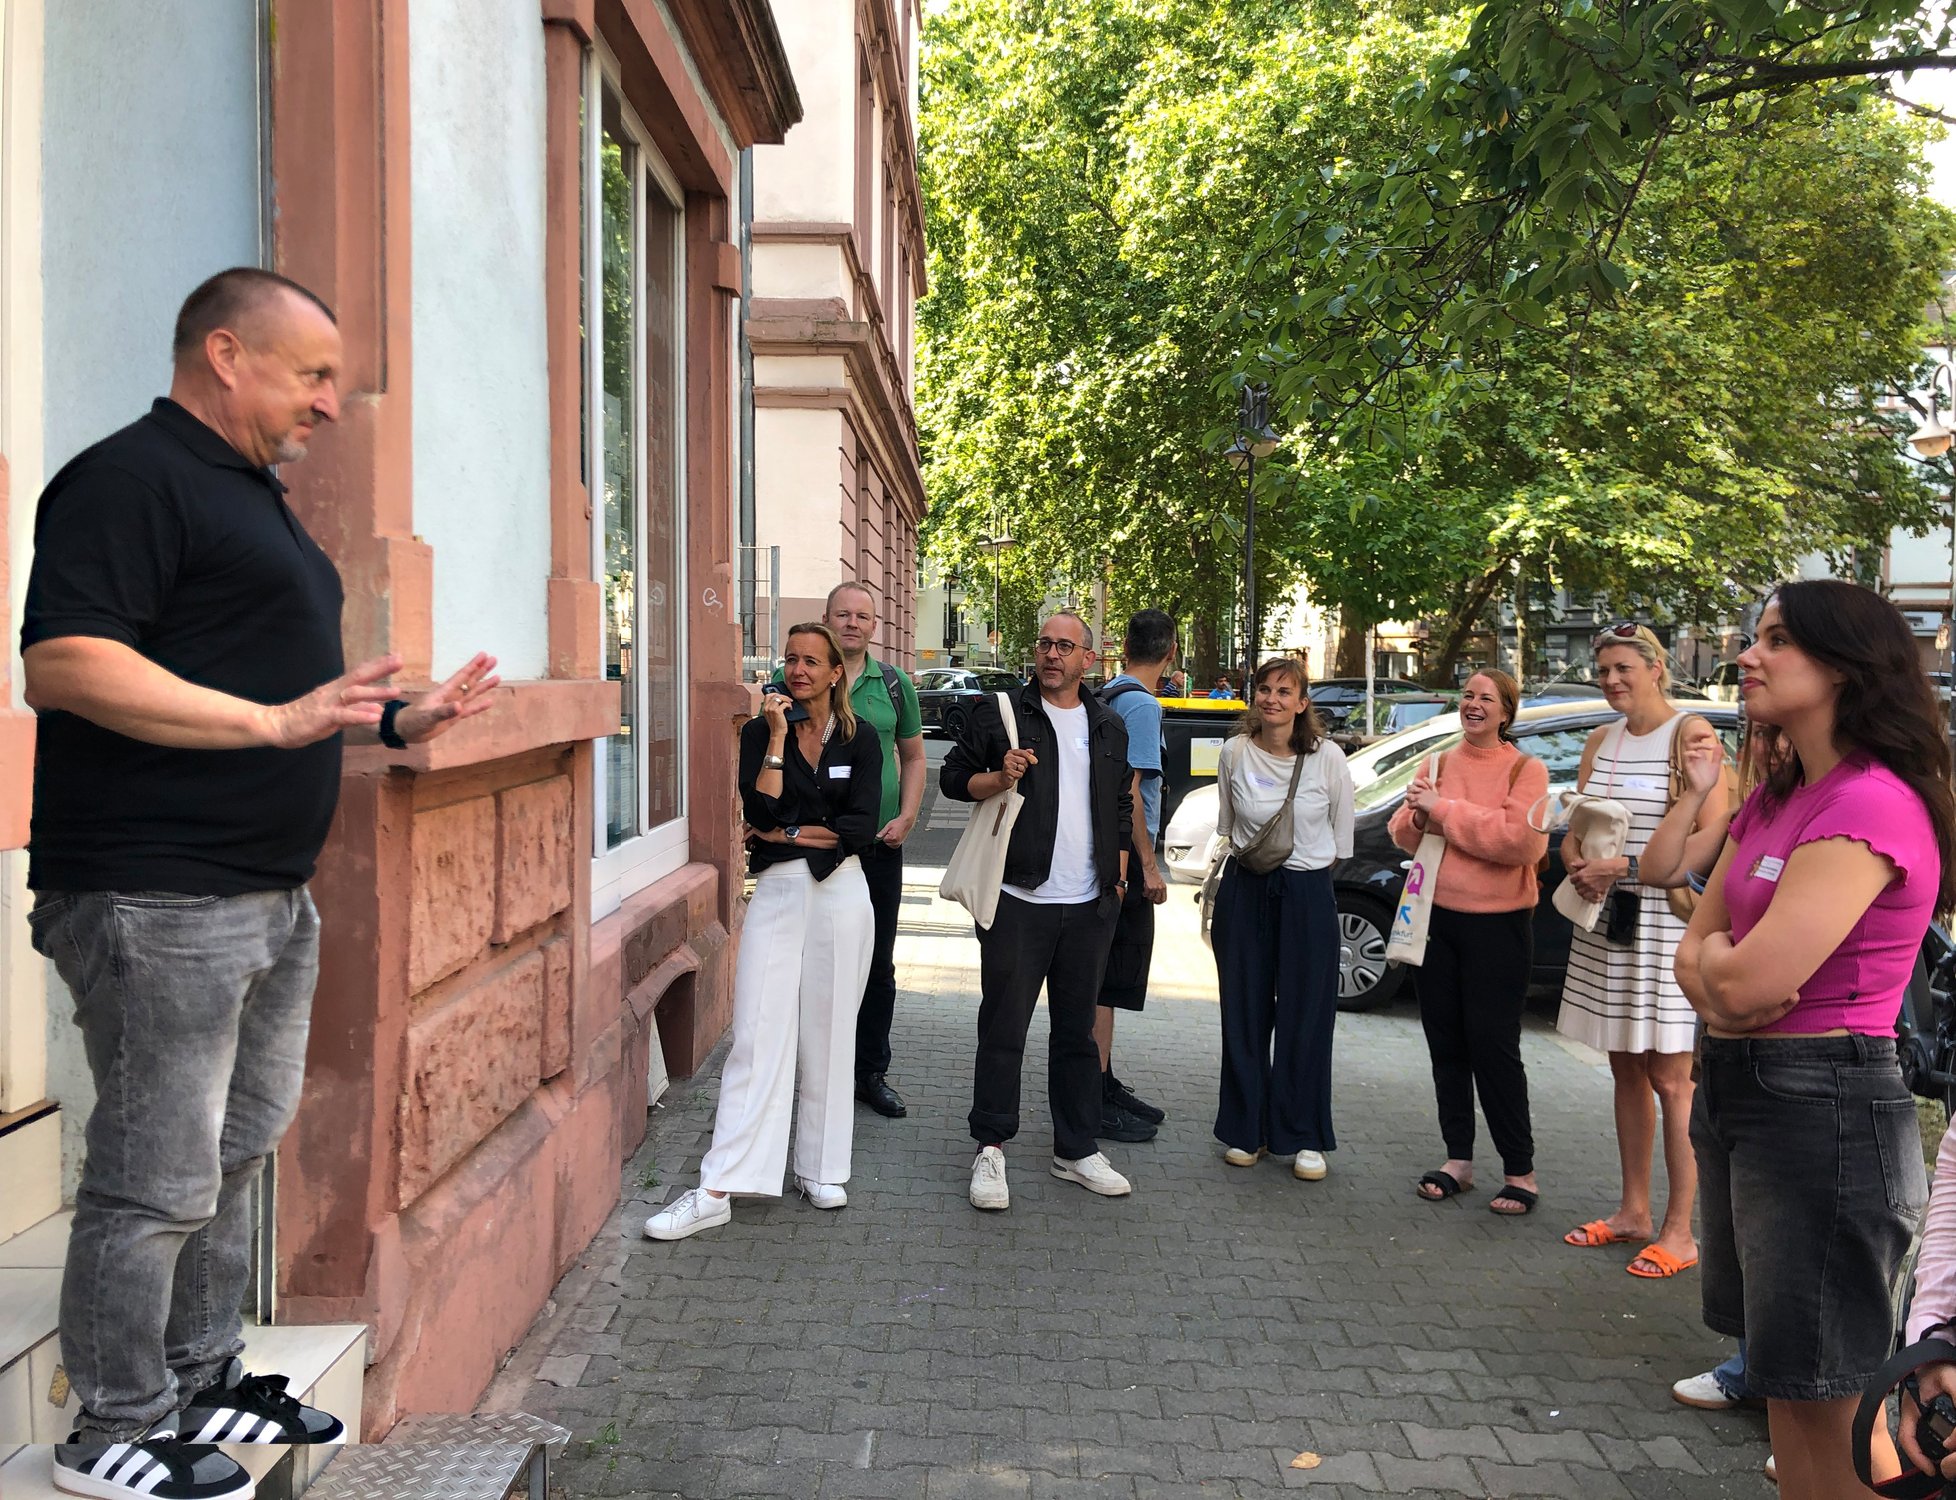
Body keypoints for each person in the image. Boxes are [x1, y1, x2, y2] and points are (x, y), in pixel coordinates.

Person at [21, 267, 501, 1500]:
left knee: (235, 1148)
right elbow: (67, 665)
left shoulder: (250, 497)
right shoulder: (126, 478)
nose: (330, 405)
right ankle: (108, 1426)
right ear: (225, 355)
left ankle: (197, 1373)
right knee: (156, 1170)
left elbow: (292, 706)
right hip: (155, 892)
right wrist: (270, 722)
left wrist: (396, 720)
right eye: (312, 375)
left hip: (262, 894)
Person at [1676, 581, 1946, 1500]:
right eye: (1755, 637)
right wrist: (1727, 973)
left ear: (1845, 666)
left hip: (1822, 1111)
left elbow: (1743, 979)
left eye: (1777, 640)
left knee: (1828, 1401)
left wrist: (1726, 971)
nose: (1748, 656)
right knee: (1789, 1387)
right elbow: (1700, 961)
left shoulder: (1871, 804)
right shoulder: (1778, 796)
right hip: (1746, 1092)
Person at [645, 623, 882, 1241]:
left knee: (832, 1033)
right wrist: (777, 737)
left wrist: (792, 835)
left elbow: (859, 828)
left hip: (843, 891)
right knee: (756, 1032)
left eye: (812, 661)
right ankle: (722, 1183)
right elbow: (762, 812)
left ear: (836, 673)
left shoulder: (862, 740)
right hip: (779, 893)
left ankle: (821, 1167)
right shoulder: (759, 731)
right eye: (791, 659)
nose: (798, 669)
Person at [941, 611, 1135, 1211]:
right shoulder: (1002, 714)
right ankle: (991, 1147)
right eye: (1045, 644)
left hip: (1088, 905)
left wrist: (1120, 874)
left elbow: (1122, 804)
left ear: (1088, 659)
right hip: (1018, 899)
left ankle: (1075, 1148)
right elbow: (952, 780)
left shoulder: (1107, 725)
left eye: (1065, 646)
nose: (1052, 654)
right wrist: (998, 777)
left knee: (1078, 1033)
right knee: (1004, 1027)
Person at [1556, 623, 1732, 1279]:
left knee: (1672, 1079)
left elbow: (1713, 836)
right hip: (1609, 921)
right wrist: (1577, 858)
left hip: (1664, 923)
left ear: (1658, 667)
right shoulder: (1601, 740)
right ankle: (1633, 1211)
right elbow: (1581, 822)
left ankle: (1682, 1231)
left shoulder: (1690, 735)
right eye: (1603, 670)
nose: (1611, 681)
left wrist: (1624, 866)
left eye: (1624, 668)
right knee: (1626, 1068)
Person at [1387, 669, 1549, 1216]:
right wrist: (1416, 812)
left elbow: (1520, 841)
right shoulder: (1437, 762)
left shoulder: (1527, 770)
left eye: (1487, 698)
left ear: (1506, 712)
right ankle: (1458, 1158)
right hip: (1435, 919)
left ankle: (1520, 1171)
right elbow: (1403, 833)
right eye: (1468, 695)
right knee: (1446, 1042)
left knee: (1494, 1046)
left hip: (1498, 927)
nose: (1473, 704)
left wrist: (1444, 811)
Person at [1210, 658, 1355, 1180]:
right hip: (1246, 888)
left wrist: (1301, 877)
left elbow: (1341, 841)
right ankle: (1246, 1130)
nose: (1272, 699)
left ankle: (1304, 1135)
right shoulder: (1233, 753)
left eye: (1284, 691)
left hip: (1307, 892)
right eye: (1265, 689)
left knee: (1306, 1015)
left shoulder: (1329, 759)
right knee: (1244, 1012)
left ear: (1302, 702)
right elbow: (1228, 824)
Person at [786, 582, 925, 1122]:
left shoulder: (893, 686)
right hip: (812, 851)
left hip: (877, 848)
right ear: (826, 618)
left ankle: (869, 1072)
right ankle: (811, 1071)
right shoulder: (793, 682)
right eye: (841, 614)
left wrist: (908, 815)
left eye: (861, 616)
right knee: (810, 959)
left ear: (874, 626)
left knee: (877, 964)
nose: (851, 623)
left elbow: (913, 757)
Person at [1094, 609, 1177, 1141]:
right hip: (1125, 864)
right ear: (1171, 653)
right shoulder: (1142, 705)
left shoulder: (1106, 694)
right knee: (1108, 983)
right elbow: (1132, 793)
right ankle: (1093, 1092)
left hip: (1103, 859)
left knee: (1102, 980)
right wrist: (1148, 867)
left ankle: (1101, 1082)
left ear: (1124, 645)